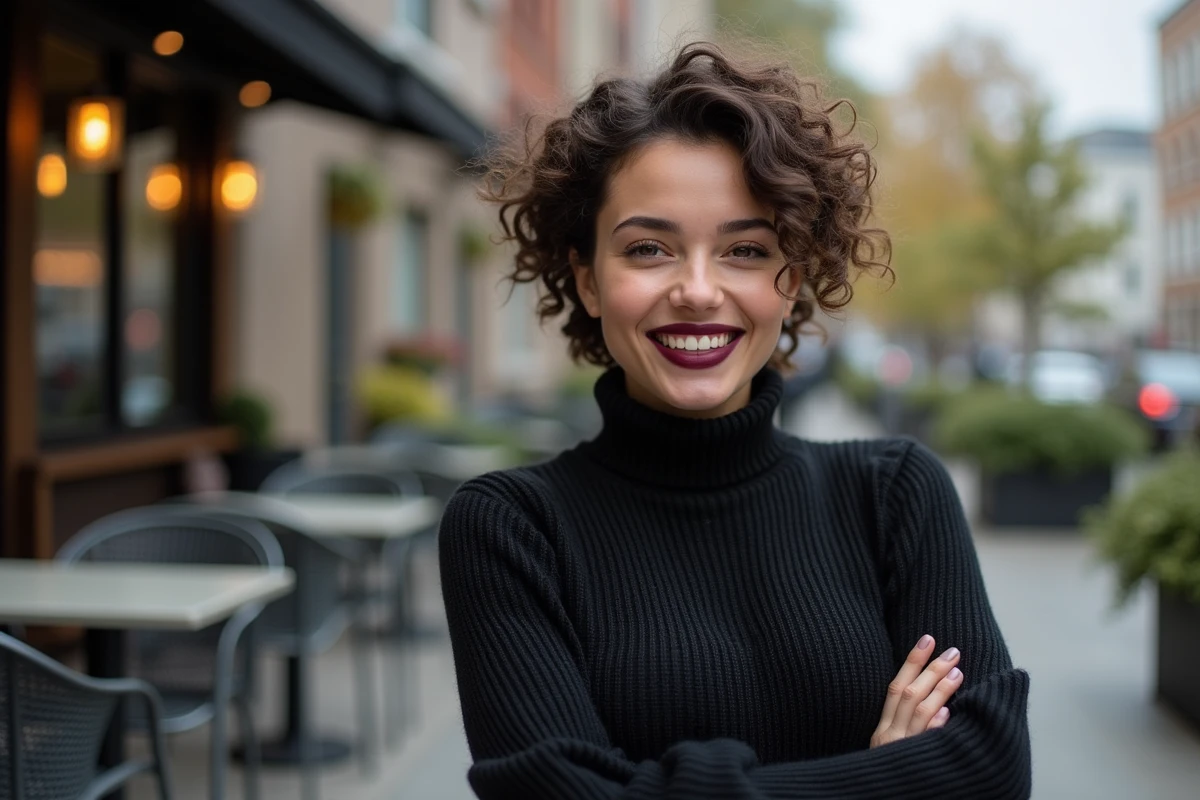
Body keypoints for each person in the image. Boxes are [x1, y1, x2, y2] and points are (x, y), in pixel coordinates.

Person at [439, 41, 1031, 799]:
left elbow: (992, 771)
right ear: (587, 279)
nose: (697, 290)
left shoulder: (896, 496)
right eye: (649, 248)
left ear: (794, 278)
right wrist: (884, 776)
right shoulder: (513, 530)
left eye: (745, 249)